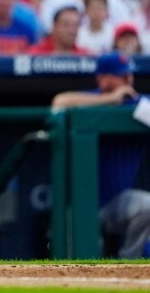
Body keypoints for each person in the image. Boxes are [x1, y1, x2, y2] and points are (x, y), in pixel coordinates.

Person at [51, 52, 150, 259]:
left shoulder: (137, 102)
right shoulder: (90, 98)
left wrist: (127, 103)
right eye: (121, 76)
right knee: (80, 256)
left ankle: (130, 262)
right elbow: (59, 102)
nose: (128, 81)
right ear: (102, 78)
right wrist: (110, 99)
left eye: (129, 75)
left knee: (147, 206)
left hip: (117, 202)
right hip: (80, 203)